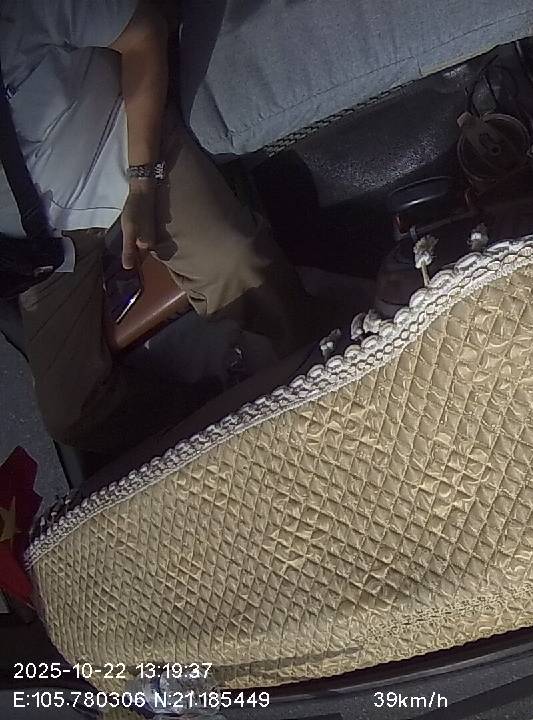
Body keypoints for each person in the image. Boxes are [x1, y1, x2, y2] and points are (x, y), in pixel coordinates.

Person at [1, 0, 316, 453]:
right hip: (44, 248)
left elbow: (143, 33)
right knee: (70, 412)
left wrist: (143, 182)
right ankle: (211, 427)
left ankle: (322, 376)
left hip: (126, 150)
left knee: (235, 264)